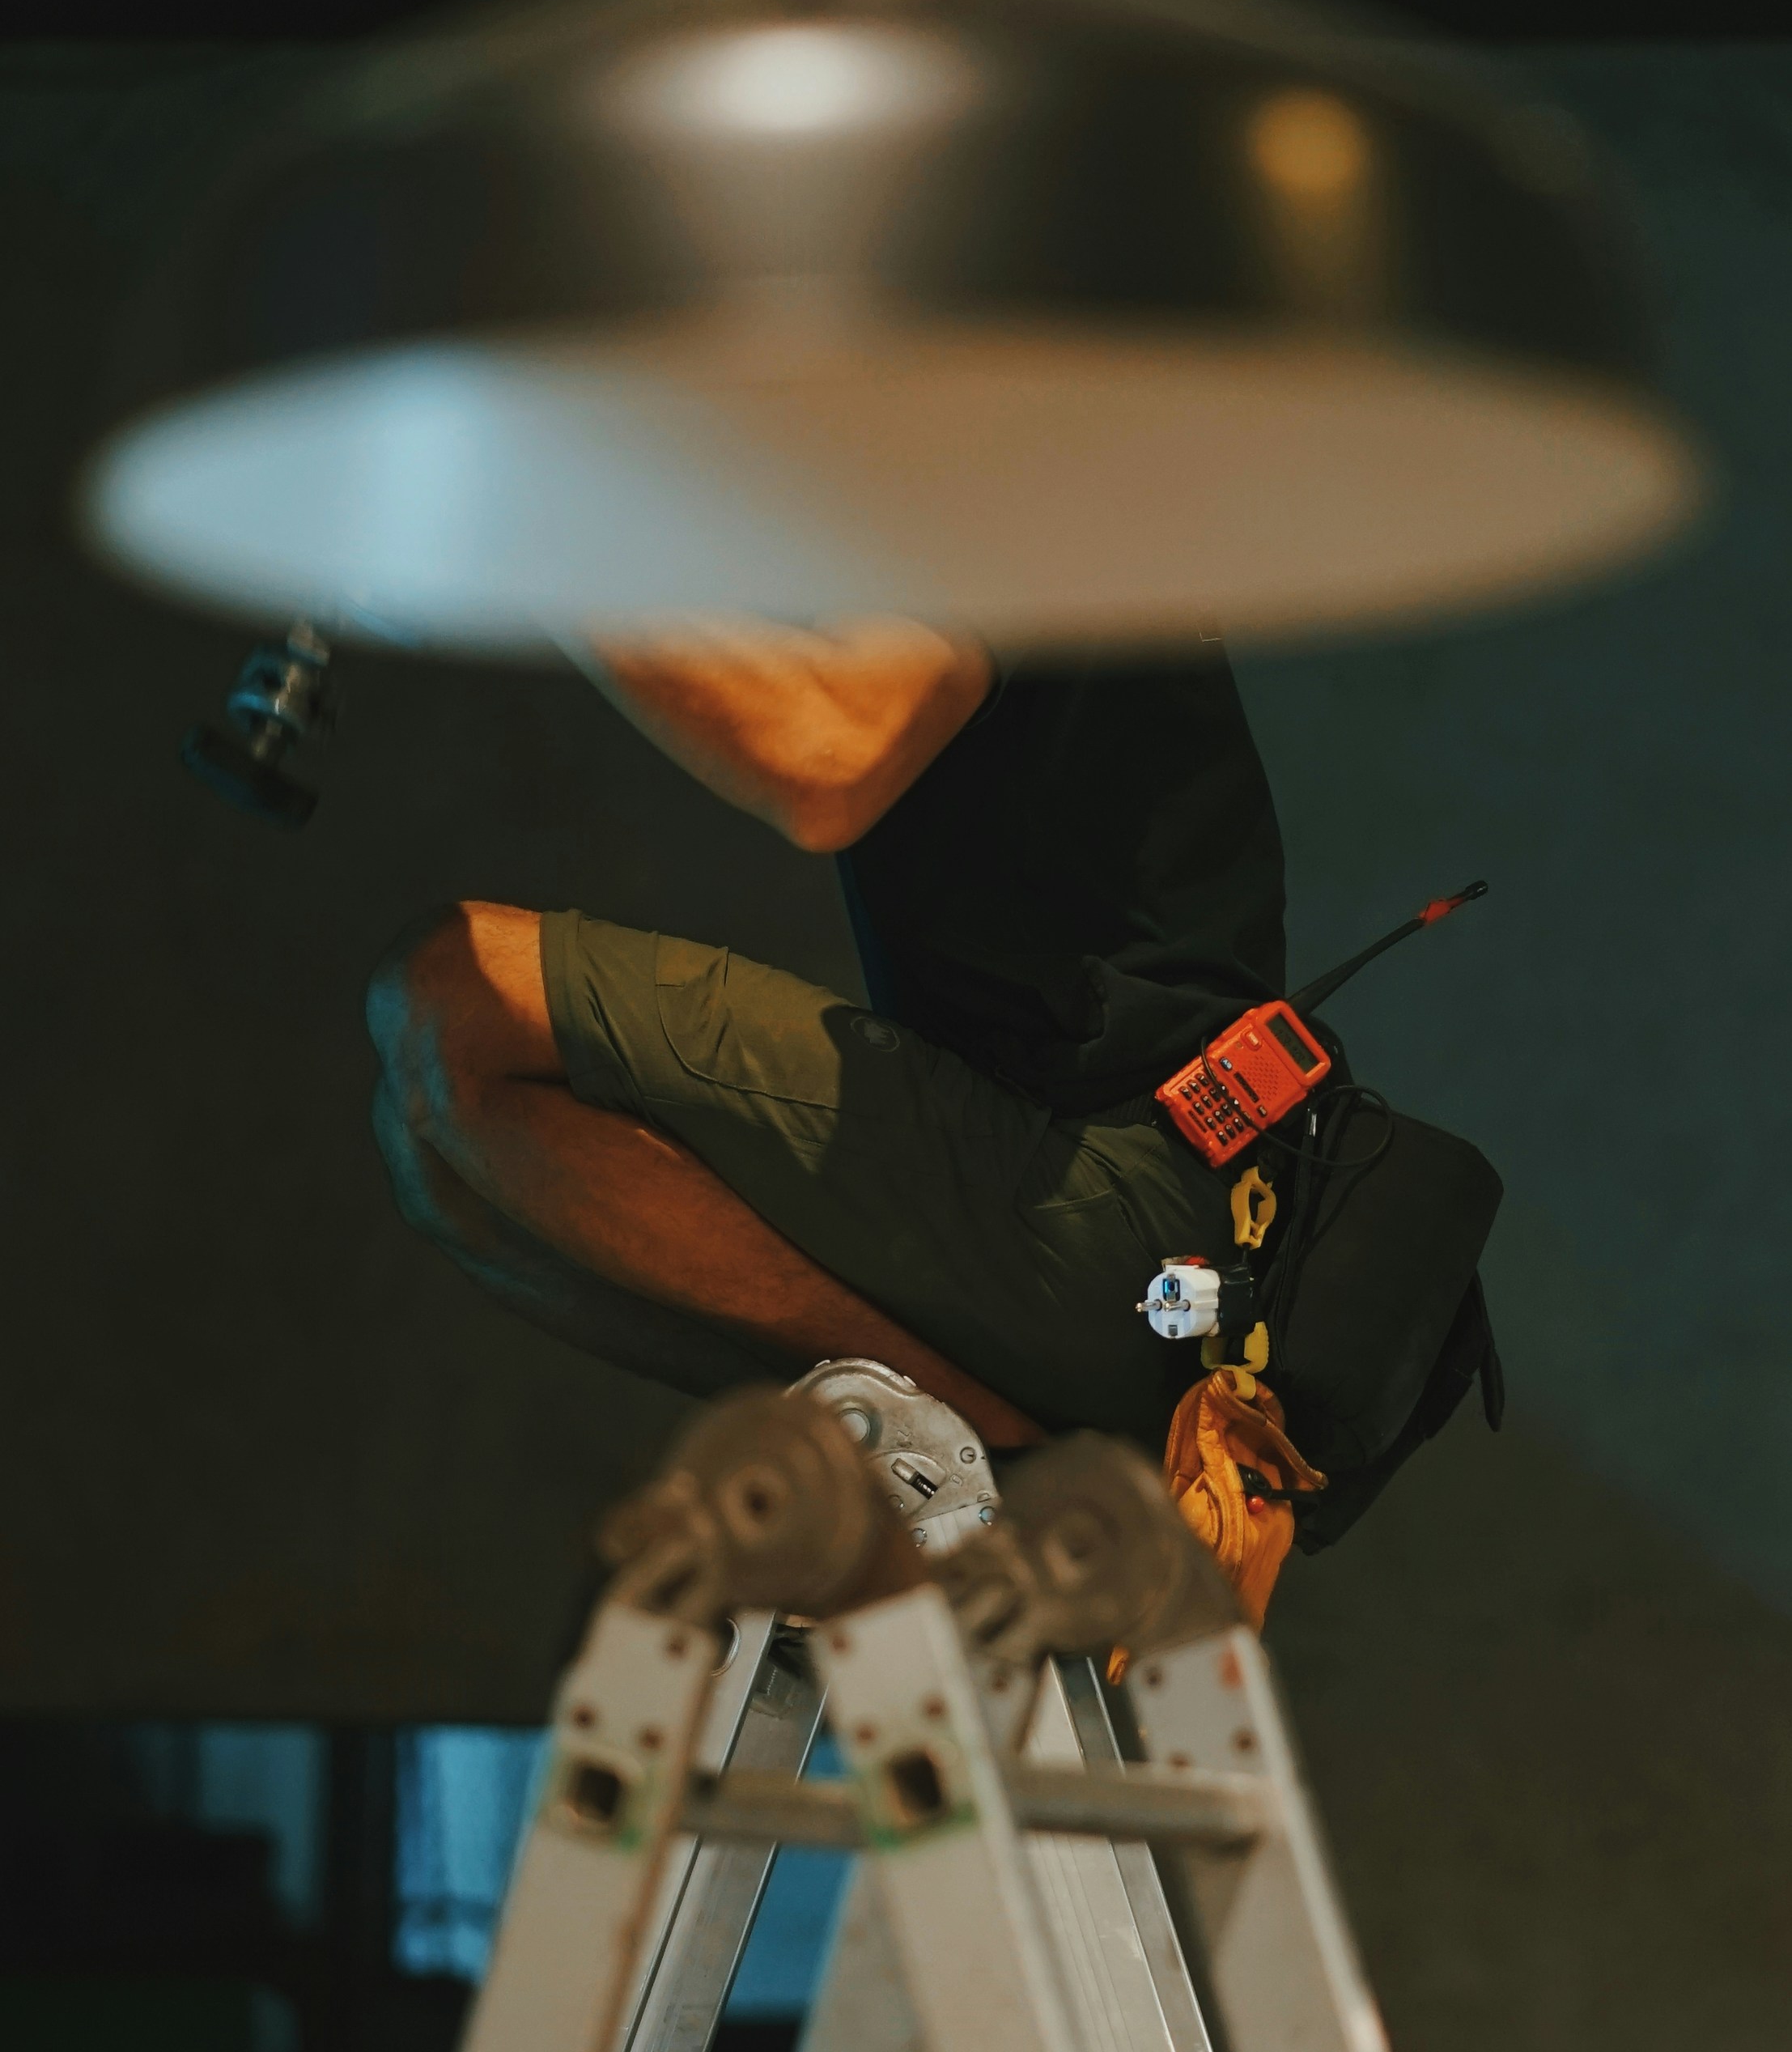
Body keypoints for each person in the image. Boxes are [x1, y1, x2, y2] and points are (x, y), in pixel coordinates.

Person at [368, 618, 1499, 1595]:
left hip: (1137, 1211)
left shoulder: (1017, 482)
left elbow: (826, 759)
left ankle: (998, 1454)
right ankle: (986, 1447)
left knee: (451, 1000)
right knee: (441, 1155)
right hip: (1084, 1209)